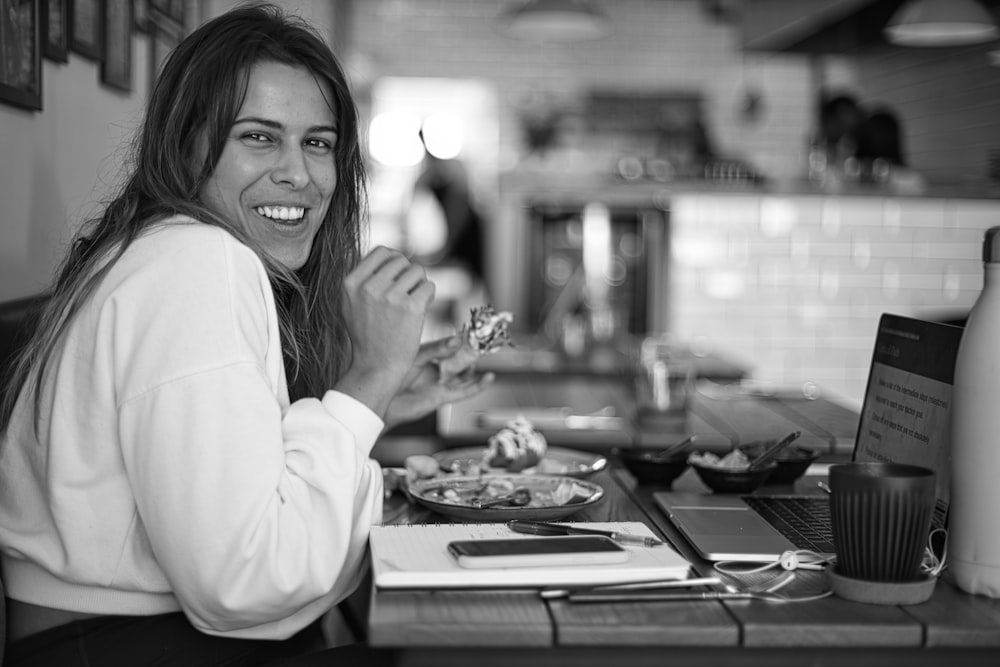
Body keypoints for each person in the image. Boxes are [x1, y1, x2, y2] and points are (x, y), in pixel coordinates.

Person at [0, 3, 492, 665]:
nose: (300, 174)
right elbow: (250, 576)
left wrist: (381, 398)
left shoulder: (163, 248)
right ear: (189, 144)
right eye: (259, 136)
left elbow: (219, 463)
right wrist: (367, 378)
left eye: (317, 142)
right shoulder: (198, 261)